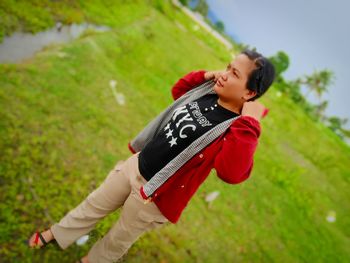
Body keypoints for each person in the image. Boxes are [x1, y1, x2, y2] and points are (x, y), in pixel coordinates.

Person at [28, 49, 275, 263]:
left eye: (235, 74)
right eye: (228, 67)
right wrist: (205, 76)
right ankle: (55, 235)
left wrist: (250, 122)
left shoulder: (236, 129)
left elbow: (231, 172)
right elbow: (178, 90)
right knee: (94, 204)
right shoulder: (207, 92)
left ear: (250, 94)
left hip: (155, 197)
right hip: (137, 164)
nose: (224, 73)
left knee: (118, 239)